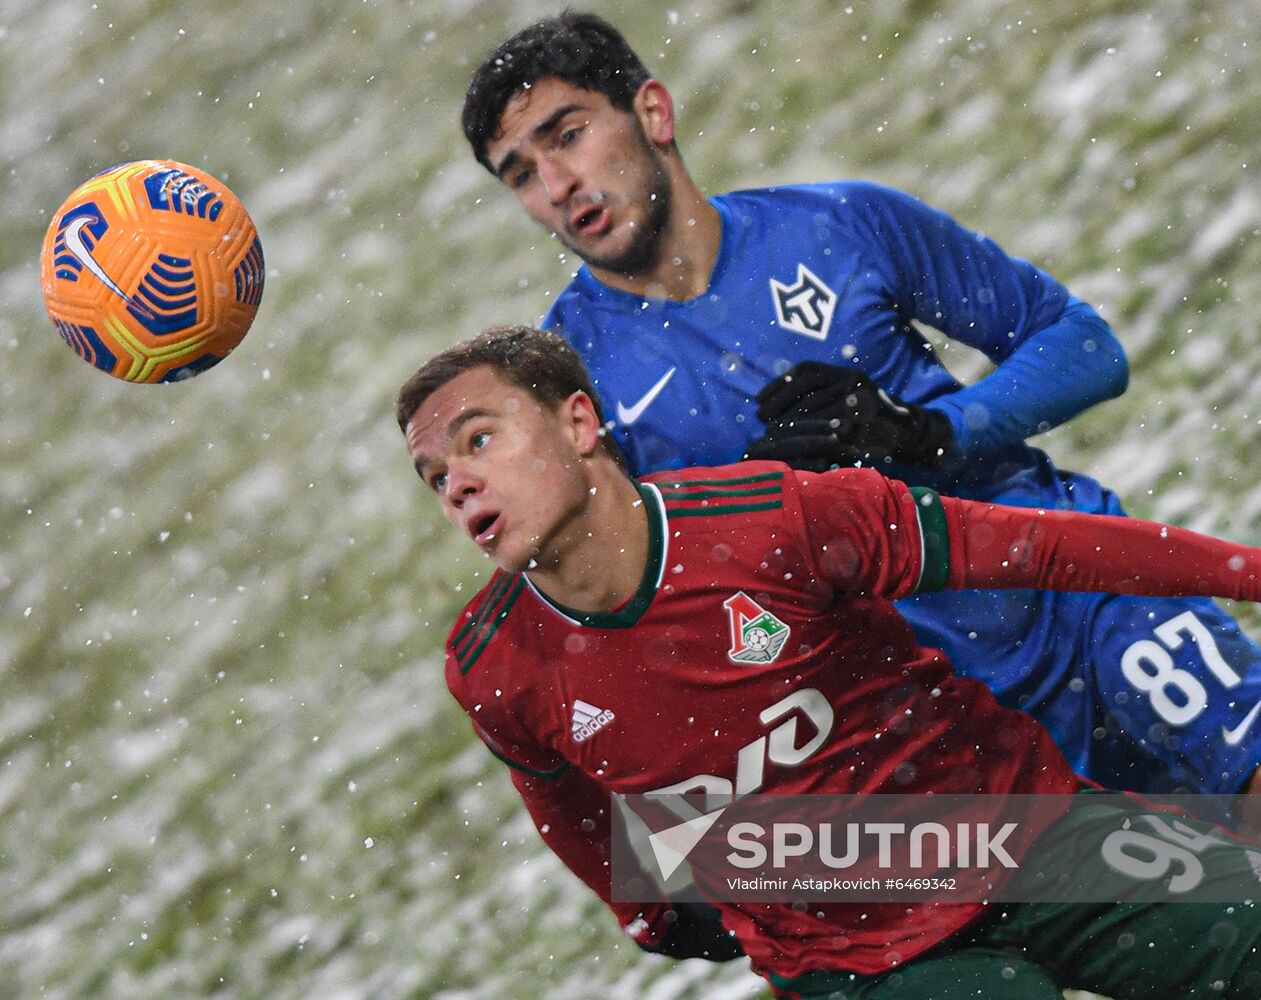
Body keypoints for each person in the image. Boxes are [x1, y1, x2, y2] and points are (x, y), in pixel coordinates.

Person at [458, 12, 1261, 807]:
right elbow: (641, 620)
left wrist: (930, 431)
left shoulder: (836, 225)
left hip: (1076, 592)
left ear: (653, 112)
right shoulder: (568, 388)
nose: (556, 186)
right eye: (520, 173)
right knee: (1201, 911)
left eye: (566, 135)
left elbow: (1083, 347)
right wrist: (761, 521)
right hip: (936, 728)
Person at [396, 324, 1261, 998]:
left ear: (578, 422)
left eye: (478, 441)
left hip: (1033, 837)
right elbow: (566, 809)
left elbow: (1039, 548)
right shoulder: (494, 670)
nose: (459, 485)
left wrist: (1250, 575)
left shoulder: (774, 522)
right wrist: (653, 918)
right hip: (864, 968)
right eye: (434, 476)